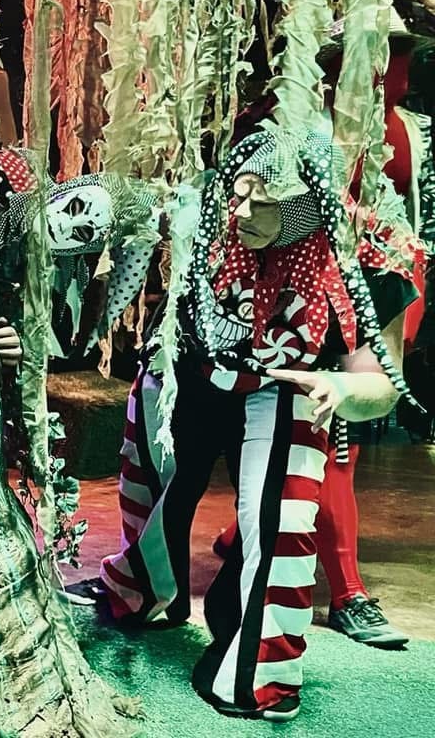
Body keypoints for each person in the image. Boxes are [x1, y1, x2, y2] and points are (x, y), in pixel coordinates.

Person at [98, 128, 417, 722]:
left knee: (279, 521)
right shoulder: (211, 216)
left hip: (282, 388)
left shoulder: (362, 253)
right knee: (156, 480)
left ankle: (259, 674)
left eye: (262, 202)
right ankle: (143, 588)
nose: (241, 212)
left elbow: (382, 385)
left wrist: (342, 387)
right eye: (238, 194)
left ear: (306, 206)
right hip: (190, 372)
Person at [214, 11, 434, 649]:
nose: (391, 71)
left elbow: (414, 209)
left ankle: (260, 537)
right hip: (304, 278)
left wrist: (411, 282)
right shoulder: (292, 125)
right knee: (319, 429)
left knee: (340, 421)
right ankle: (346, 589)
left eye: (399, 56)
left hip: (383, 272)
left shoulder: (409, 131)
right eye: (381, 54)